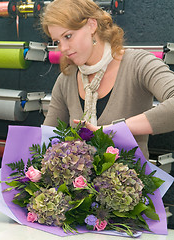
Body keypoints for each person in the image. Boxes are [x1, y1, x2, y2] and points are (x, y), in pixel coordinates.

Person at [41, 0, 174, 160]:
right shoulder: (66, 79)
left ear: (92, 25)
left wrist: (112, 130)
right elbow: (47, 142)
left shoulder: (139, 64)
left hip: (135, 183)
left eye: (68, 36)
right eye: (57, 42)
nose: (62, 48)